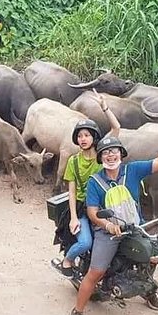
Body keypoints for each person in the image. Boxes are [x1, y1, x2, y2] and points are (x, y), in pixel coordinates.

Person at [67, 131, 158, 315]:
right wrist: (107, 225)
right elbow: (92, 212)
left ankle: (147, 290)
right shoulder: (95, 182)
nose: (110, 156)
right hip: (109, 232)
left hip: (135, 227)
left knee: (154, 255)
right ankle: (77, 311)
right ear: (101, 158)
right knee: (96, 272)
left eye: (114, 151)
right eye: (105, 153)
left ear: (121, 154)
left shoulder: (133, 170)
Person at [52, 92, 120, 277]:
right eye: (80, 136)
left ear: (94, 137)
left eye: (87, 135)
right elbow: (72, 193)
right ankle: (67, 260)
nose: (83, 139)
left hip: (107, 207)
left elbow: (116, 128)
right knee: (85, 243)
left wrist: (104, 107)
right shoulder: (73, 161)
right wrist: (74, 218)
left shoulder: (103, 156)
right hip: (83, 209)